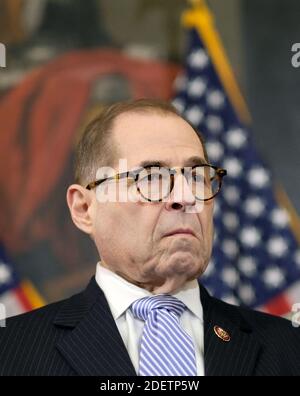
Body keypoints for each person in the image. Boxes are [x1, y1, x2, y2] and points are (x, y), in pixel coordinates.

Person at [0, 98, 299, 376]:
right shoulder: (10, 351)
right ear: (85, 208)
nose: (186, 197)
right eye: (152, 177)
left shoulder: (289, 348)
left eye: (196, 176)